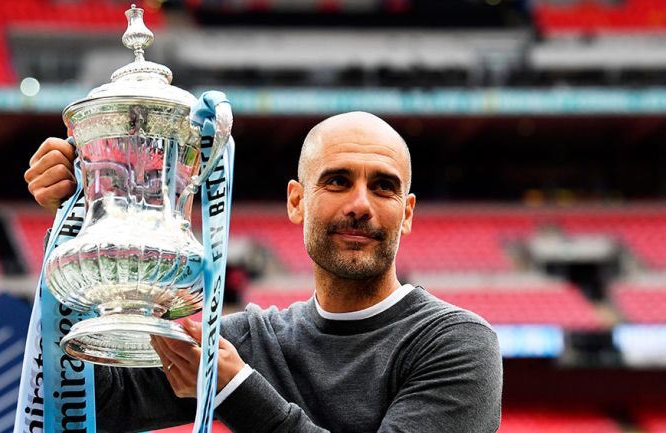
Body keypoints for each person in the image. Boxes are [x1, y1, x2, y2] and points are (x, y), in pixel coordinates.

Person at [25, 111, 503, 432]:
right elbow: (90, 405)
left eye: (383, 187)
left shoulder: (455, 342)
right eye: (337, 181)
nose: (361, 205)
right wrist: (78, 221)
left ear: (408, 212)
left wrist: (235, 386)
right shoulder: (253, 340)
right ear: (297, 201)